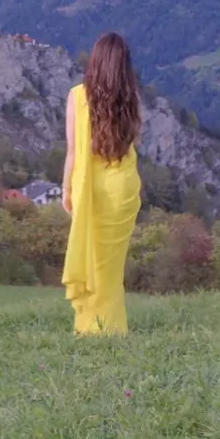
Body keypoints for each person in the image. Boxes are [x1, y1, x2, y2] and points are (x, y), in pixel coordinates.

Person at [61, 31, 143, 335]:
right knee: (111, 266)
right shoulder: (130, 98)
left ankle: (91, 327)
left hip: (90, 189)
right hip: (122, 188)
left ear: (95, 61)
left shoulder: (77, 96)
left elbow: (73, 152)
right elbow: (130, 143)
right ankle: (112, 327)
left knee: (91, 258)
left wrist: (66, 188)